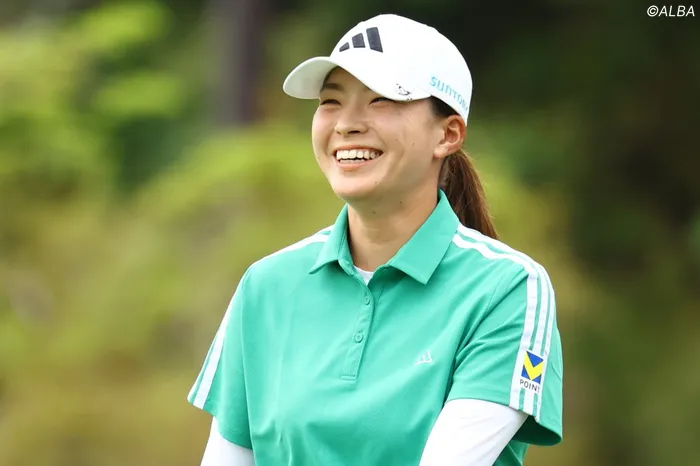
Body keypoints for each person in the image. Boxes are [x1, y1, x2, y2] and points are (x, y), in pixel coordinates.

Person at [188, 13, 563, 466]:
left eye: (381, 99)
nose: (347, 124)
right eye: (331, 101)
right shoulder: (265, 286)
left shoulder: (507, 288)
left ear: (447, 134)